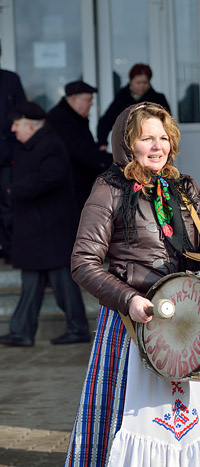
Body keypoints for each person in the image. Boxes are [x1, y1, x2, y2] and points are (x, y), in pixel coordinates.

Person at [65, 103, 200, 465]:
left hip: (187, 323)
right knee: (132, 420)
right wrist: (127, 300)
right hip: (132, 322)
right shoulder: (108, 189)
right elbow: (82, 263)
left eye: (163, 138)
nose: (158, 147)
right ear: (128, 145)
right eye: (147, 138)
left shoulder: (184, 188)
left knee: (187, 423)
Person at [0, 102, 88, 347]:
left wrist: (14, 189)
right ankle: (22, 331)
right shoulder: (26, 146)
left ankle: (78, 328)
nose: (13, 128)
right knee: (31, 283)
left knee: (63, 283)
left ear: (30, 124)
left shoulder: (51, 146)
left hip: (51, 230)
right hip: (34, 229)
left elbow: (49, 178)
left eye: (17, 123)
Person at [47, 80, 112, 211]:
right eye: (89, 99)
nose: (91, 103)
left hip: (77, 188)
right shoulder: (60, 119)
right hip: (69, 192)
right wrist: (110, 161)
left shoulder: (74, 118)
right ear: (74, 98)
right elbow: (81, 151)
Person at [97, 63, 171, 149]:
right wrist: (102, 143)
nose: (141, 86)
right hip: (128, 146)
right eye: (138, 82)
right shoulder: (122, 98)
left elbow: (168, 123)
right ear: (131, 81)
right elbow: (106, 121)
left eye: (145, 82)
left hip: (153, 145)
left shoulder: (158, 99)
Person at [0, 39, 27, 263]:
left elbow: (23, 114)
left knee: (9, 206)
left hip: (8, 155)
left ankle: (10, 251)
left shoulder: (10, 81)